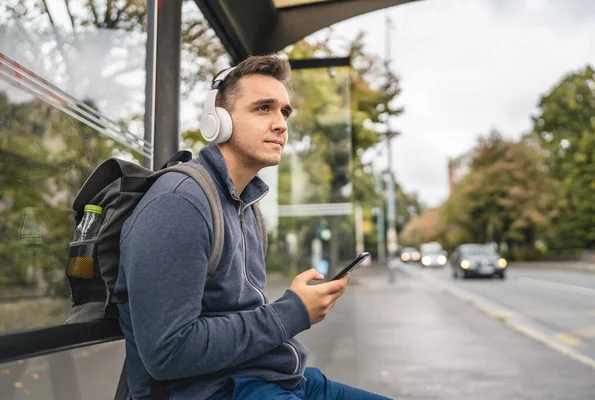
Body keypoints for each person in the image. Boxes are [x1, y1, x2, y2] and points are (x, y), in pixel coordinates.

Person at [115, 54, 391, 400]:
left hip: (275, 379)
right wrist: (293, 312)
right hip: (220, 392)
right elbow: (169, 352)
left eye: (284, 112)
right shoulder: (179, 204)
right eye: (263, 108)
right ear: (218, 121)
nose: (280, 124)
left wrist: (291, 312)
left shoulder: (246, 205)